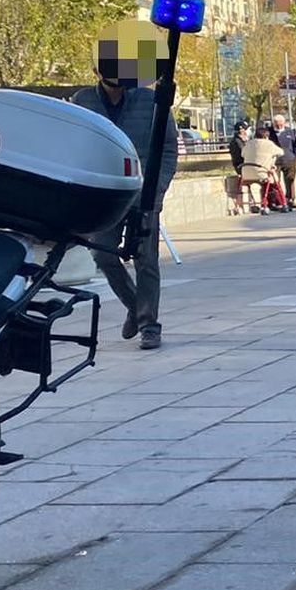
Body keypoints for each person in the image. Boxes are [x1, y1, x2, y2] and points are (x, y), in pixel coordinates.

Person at [73, 21, 179, 351]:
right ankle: (136, 307)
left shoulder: (151, 101)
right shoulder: (82, 101)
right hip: (104, 196)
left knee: (146, 259)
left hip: (143, 193)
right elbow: (75, 147)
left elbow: (169, 147)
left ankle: (150, 325)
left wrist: (157, 191)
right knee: (102, 255)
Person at [241, 126, 287, 212]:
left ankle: (257, 204)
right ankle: (281, 203)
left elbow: (242, 154)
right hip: (262, 172)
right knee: (274, 181)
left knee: (266, 179)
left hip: (246, 173)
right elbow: (281, 152)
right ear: (266, 136)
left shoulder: (249, 143)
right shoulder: (268, 144)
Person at [270, 113, 296, 210]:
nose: (279, 126)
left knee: (290, 180)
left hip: (289, 159)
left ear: (284, 123)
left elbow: (295, 144)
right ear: (274, 123)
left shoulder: (289, 132)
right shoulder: (269, 132)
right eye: (277, 124)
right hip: (275, 160)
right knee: (275, 181)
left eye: (281, 123)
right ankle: (276, 201)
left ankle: (290, 199)